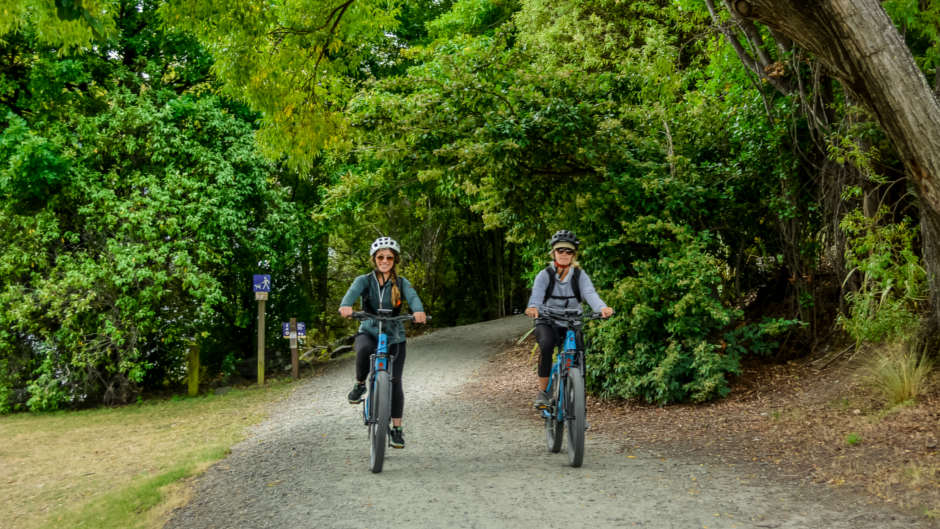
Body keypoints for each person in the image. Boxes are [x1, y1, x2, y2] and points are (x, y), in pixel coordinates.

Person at [339, 236, 427, 449]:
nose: (384, 261)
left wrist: (418, 311)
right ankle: (360, 385)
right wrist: (346, 306)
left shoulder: (402, 283)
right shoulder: (364, 280)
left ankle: (396, 428)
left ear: (394, 260)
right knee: (363, 350)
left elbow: (413, 297)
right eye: (380, 257)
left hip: (394, 335)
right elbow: (349, 296)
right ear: (374, 259)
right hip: (369, 329)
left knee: (395, 381)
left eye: (389, 257)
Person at [525, 229, 614, 409]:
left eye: (569, 251)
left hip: (572, 322)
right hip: (547, 320)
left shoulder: (580, 276)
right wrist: (533, 307)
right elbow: (536, 296)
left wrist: (602, 308)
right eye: (560, 251)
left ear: (574, 255)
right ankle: (543, 393)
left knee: (580, 355)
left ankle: (580, 409)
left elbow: (590, 293)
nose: (564, 254)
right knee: (547, 345)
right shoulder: (545, 275)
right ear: (554, 253)